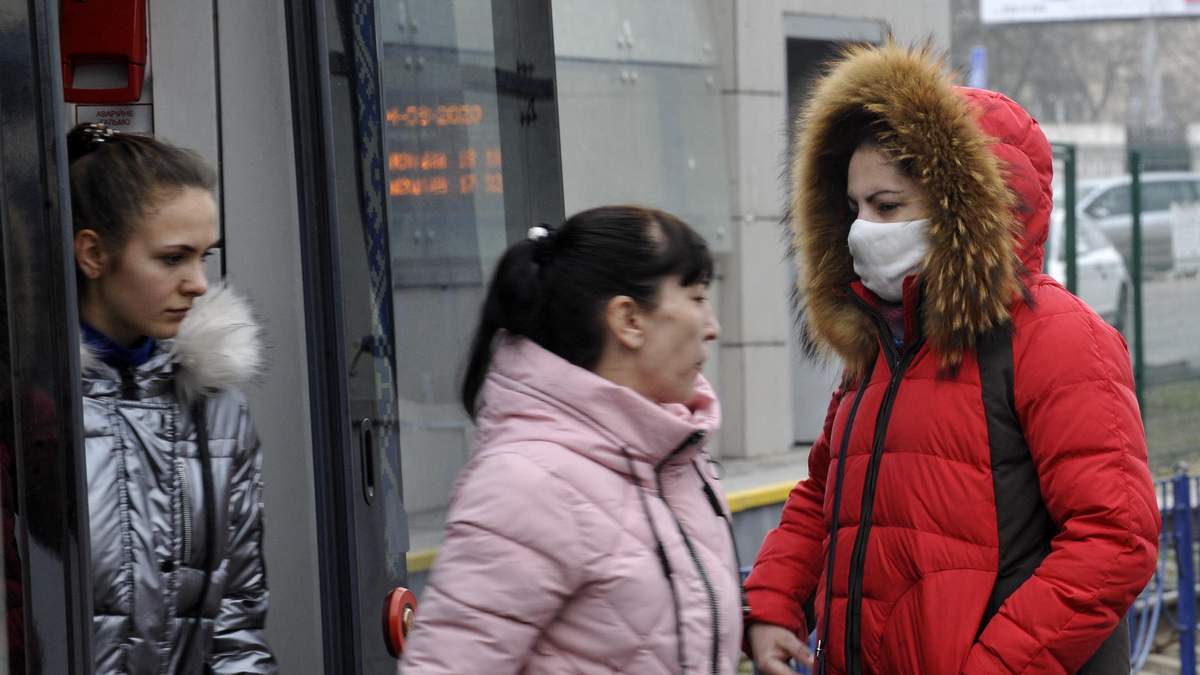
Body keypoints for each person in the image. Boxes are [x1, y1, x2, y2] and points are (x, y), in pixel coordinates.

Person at [743, 43, 1160, 675]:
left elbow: (1114, 539)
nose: (861, 230)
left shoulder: (1058, 338)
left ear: (960, 208)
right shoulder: (880, 342)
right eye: (853, 208)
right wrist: (775, 602)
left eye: (887, 206)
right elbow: (827, 495)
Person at [400, 206, 742, 674]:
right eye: (697, 298)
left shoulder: (671, 454)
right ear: (628, 319)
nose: (712, 327)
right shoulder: (527, 484)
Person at [68, 123, 277, 674]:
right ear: (93, 254)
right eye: (172, 258)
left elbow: (235, 621)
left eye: (205, 256)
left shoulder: (217, 408)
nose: (199, 283)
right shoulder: (29, 412)